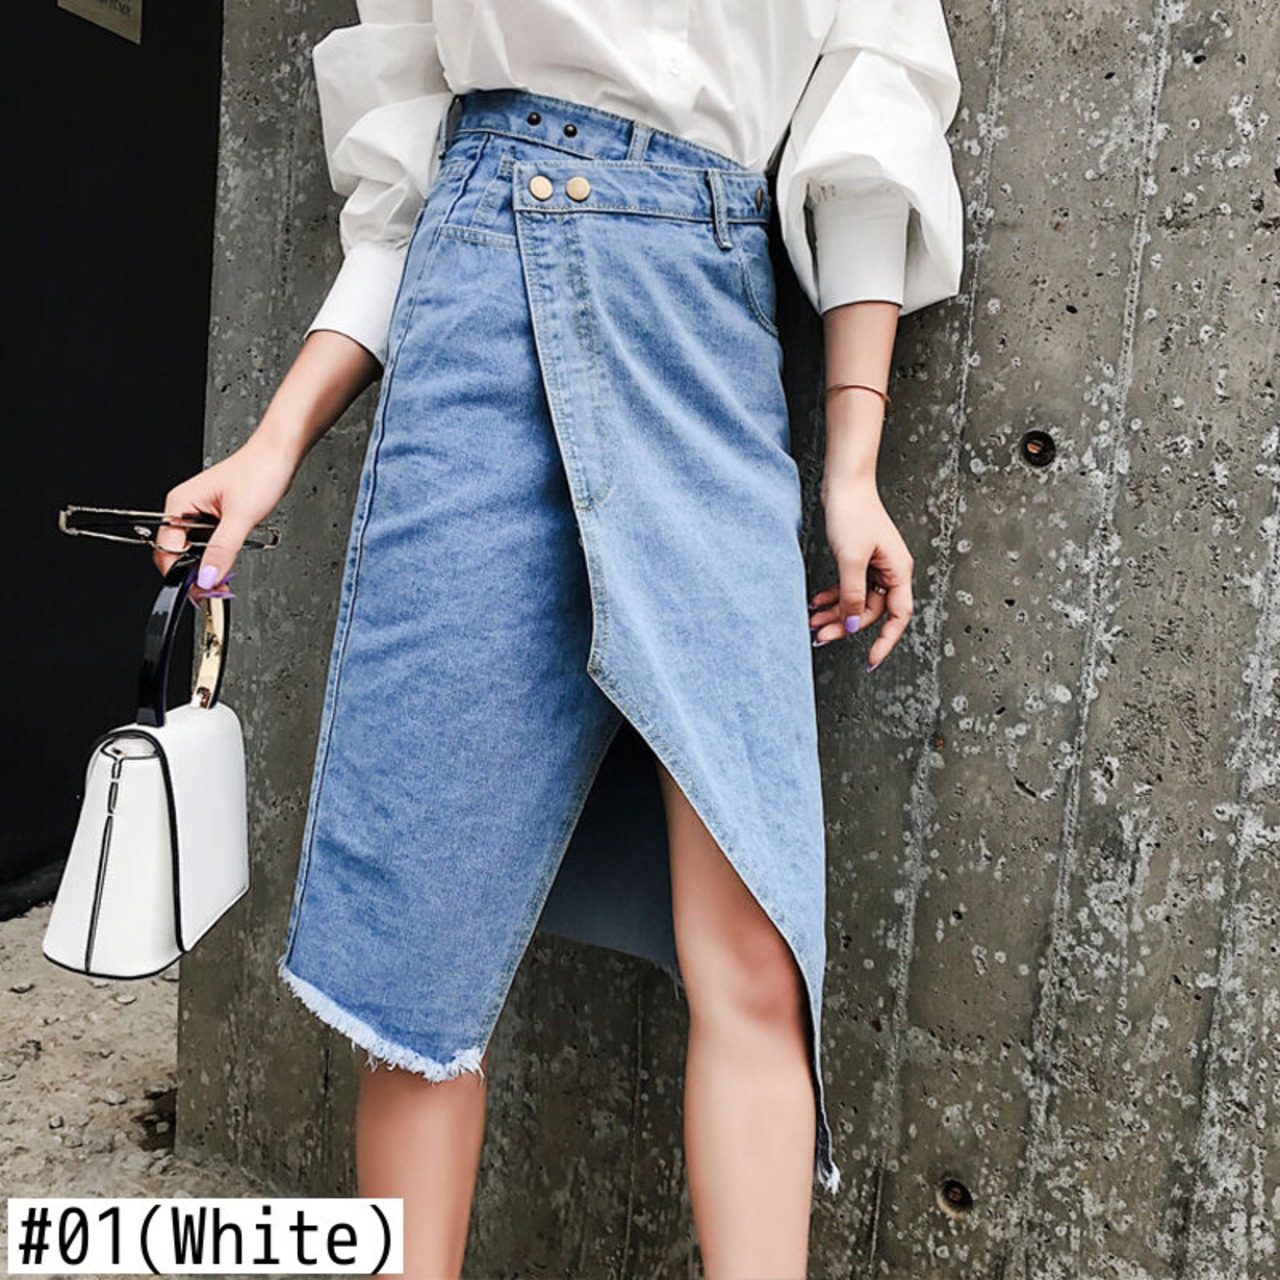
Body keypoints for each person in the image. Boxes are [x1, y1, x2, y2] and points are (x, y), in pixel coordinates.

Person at [155, 1, 963, 1275]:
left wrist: (849, 466)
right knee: (418, 966)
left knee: (752, 951)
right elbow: (404, 167)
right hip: (473, 303)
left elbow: (868, 120)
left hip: (703, 321)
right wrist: (272, 443)